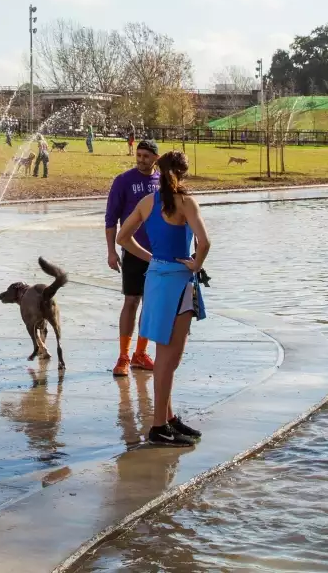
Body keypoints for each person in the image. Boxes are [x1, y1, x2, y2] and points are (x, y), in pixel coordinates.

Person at [115, 151, 211, 447]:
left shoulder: (147, 203)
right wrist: (195, 263)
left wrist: (151, 257)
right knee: (170, 360)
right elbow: (205, 242)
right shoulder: (186, 203)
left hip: (155, 280)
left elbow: (122, 238)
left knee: (164, 356)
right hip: (178, 284)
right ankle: (158, 426)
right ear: (183, 173)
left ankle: (168, 418)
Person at [105, 140, 162, 378]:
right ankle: (124, 356)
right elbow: (111, 218)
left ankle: (141, 353)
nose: (141, 159)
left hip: (159, 254)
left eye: (146, 156)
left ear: (155, 158)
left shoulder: (162, 182)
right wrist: (111, 251)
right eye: (138, 155)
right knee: (131, 301)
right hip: (133, 251)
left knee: (150, 305)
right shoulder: (123, 181)